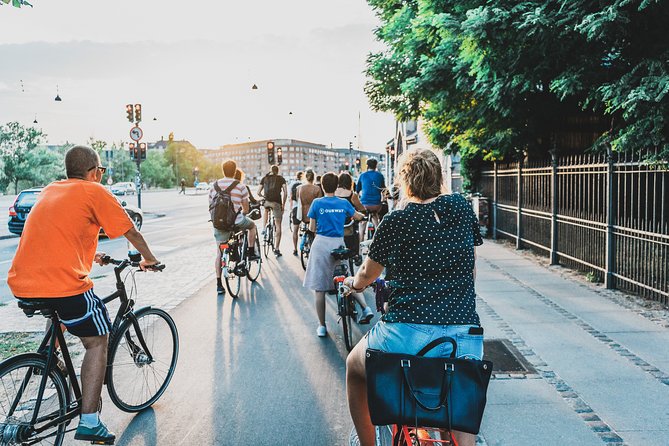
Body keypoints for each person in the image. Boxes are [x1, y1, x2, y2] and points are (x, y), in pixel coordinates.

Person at [7, 145, 161, 444]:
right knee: (97, 337)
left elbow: (57, 240)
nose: (100, 176)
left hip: (23, 283)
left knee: (65, 311)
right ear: (94, 171)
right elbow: (131, 231)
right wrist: (150, 260)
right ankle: (90, 421)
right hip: (62, 285)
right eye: (101, 171)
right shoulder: (94, 191)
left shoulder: (51, 190)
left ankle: (51, 362)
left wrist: (93, 256)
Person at [344, 149, 484, 446]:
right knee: (460, 411)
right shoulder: (461, 209)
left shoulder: (396, 221)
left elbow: (367, 275)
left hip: (406, 333)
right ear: (440, 177)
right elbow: (471, 271)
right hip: (464, 334)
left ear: (405, 181)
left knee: (354, 367)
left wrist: (352, 284)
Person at [303, 172, 374, 337]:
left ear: (322, 185)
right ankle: (365, 308)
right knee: (348, 279)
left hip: (320, 244)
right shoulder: (343, 203)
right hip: (338, 243)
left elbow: (312, 228)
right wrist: (362, 217)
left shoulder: (317, 203)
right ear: (336, 186)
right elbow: (357, 216)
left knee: (319, 289)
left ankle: (321, 326)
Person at [211, 159, 259, 295]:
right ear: (235, 170)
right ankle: (250, 251)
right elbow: (246, 206)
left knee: (219, 252)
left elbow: (210, 206)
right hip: (236, 222)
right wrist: (242, 213)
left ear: (223, 170)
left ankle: (219, 285)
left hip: (218, 224)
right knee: (252, 226)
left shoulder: (214, 186)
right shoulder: (240, 186)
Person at [335, 172, 366, 263]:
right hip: (347, 229)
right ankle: (356, 256)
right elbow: (361, 208)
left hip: (335, 227)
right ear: (350, 182)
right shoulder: (352, 195)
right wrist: (363, 213)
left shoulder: (333, 193)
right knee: (356, 235)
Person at [258, 165, 287, 257]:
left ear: (270, 170)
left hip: (267, 202)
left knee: (266, 210)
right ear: (277, 171)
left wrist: (264, 197)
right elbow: (285, 193)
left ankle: (264, 229)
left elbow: (258, 192)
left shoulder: (264, 178)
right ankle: (277, 249)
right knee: (278, 225)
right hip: (276, 202)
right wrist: (283, 204)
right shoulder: (281, 179)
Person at [355, 158, 386, 242]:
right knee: (376, 219)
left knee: (362, 224)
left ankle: (360, 245)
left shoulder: (362, 175)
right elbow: (383, 190)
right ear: (376, 166)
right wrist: (383, 200)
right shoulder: (380, 176)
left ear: (367, 166)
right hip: (376, 205)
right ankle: (378, 240)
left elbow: (357, 190)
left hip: (364, 204)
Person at [289, 171, 304, 256]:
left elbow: (290, 197)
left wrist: (291, 209)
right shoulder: (304, 184)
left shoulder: (292, 184)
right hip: (304, 208)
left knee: (295, 230)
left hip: (295, 208)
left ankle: (295, 249)